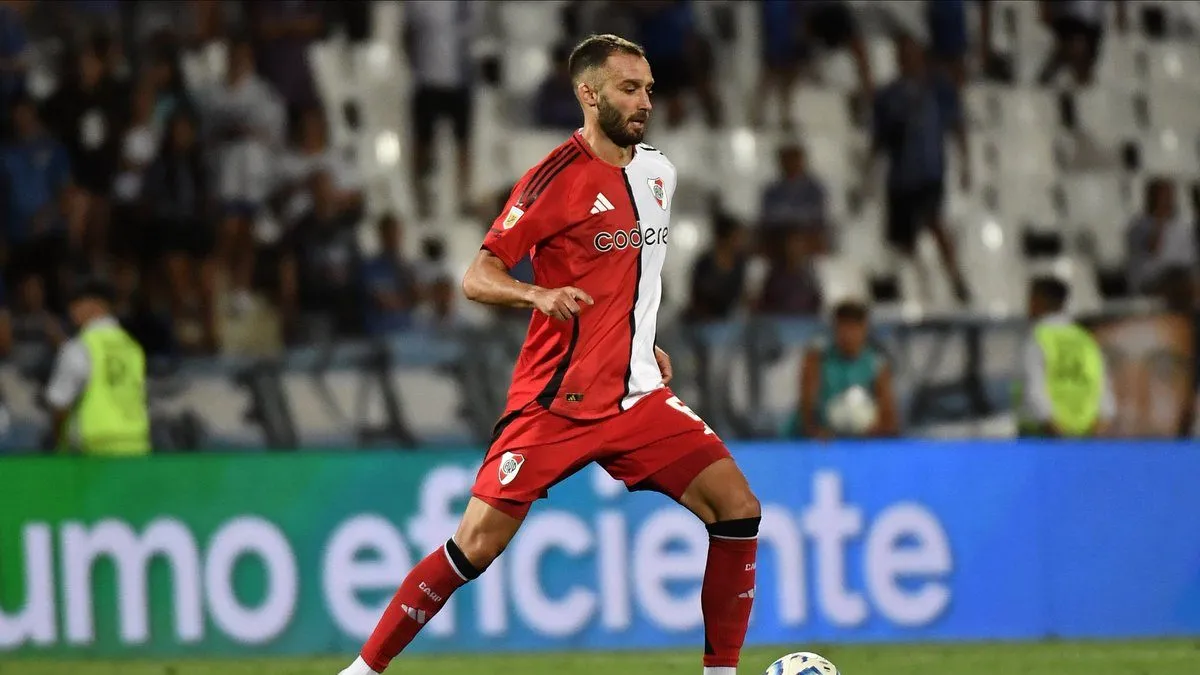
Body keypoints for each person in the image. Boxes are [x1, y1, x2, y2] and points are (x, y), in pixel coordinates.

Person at [338, 34, 761, 675]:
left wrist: (641, 341)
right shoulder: (552, 180)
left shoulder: (658, 174)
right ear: (588, 94)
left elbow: (630, 278)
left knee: (738, 508)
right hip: (556, 403)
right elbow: (477, 274)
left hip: (638, 395)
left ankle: (721, 673)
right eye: (629, 88)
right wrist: (535, 293)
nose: (644, 99)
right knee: (474, 546)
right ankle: (362, 671)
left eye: (648, 87)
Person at [868, 33, 971, 303]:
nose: (908, 58)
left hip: (929, 170)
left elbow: (957, 125)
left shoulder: (938, 87)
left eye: (912, 53)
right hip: (900, 176)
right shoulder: (887, 94)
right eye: (903, 53)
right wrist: (868, 171)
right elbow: (878, 138)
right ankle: (919, 286)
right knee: (903, 240)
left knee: (934, 221)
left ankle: (955, 278)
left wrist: (965, 162)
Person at [42, 278, 150, 455]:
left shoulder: (81, 347)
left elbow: (59, 403)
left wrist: (59, 443)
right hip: (136, 446)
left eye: (76, 303)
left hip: (95, 451)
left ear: (94, 305)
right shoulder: (132, 347)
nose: (70, 310)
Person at [1015, 276, 1115, 438]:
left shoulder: (1038, 337)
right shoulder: (1085, 339)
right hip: (1086, 434)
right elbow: (1103, 390)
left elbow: (1033, 387)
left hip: (1044, 435)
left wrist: (1053, 427)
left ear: (1037, 300)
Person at [796, 300, 898, 439]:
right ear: (834, 329)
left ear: (864, 329)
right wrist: (815, 431)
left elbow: (889, 417)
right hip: (819, 439)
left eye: (854, 329)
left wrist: (873, 430)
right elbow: (806, 407)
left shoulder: (877, 364)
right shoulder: (817, 359)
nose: (848, 336)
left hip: (862, 440)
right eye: (843, 329)